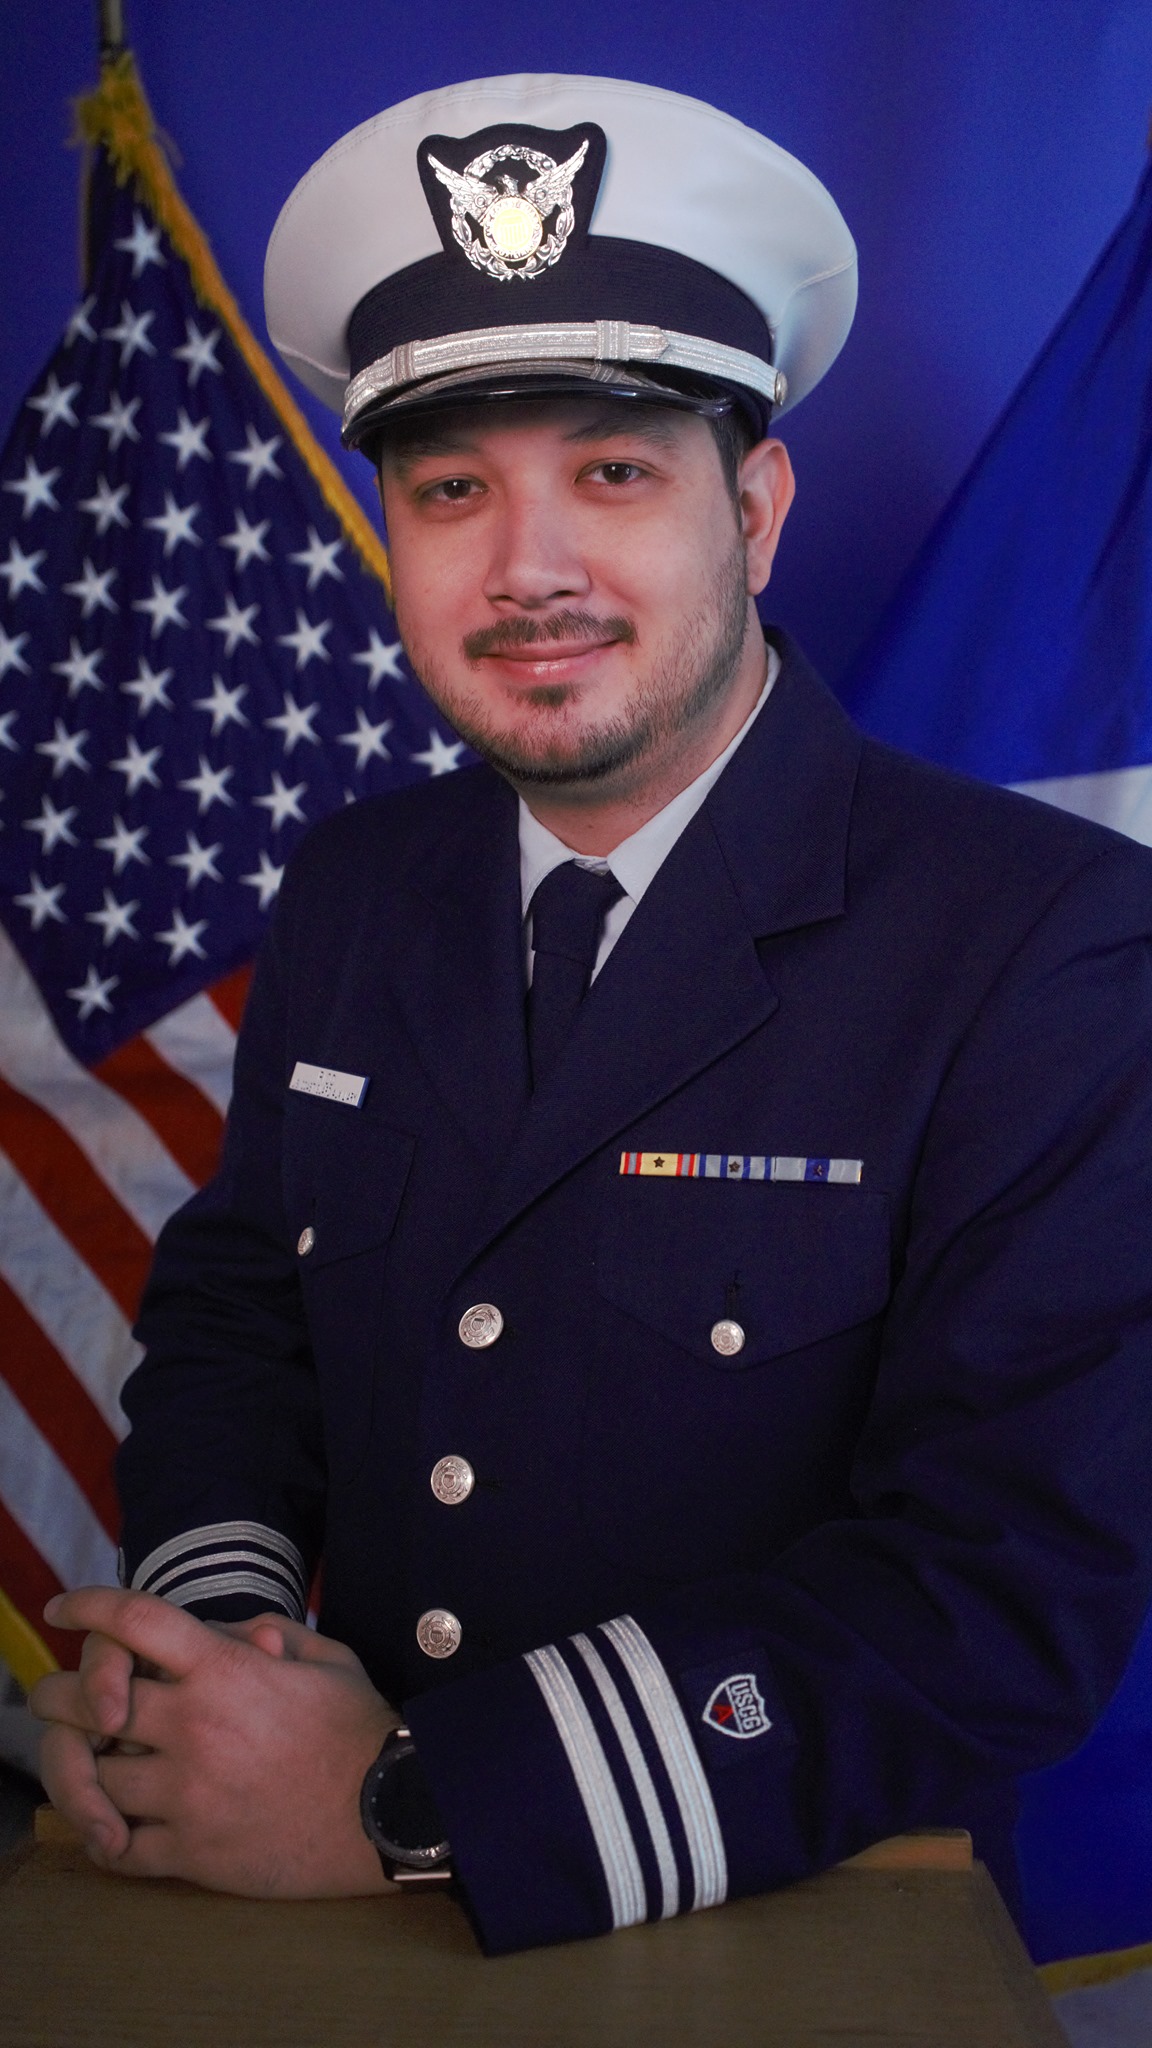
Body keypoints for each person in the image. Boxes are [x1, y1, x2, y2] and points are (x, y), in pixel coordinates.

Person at [31, 73, 1152, 1958]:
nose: (526, 564)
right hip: (303, 1896)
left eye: (613, 470)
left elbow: (1003, 1589)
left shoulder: (1047, 941)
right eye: (451, 486)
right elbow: (243, 1318)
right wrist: (213, 1655)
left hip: (794, 1909)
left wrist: (409, 1796)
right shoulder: (357, 886)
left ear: (762, 507)